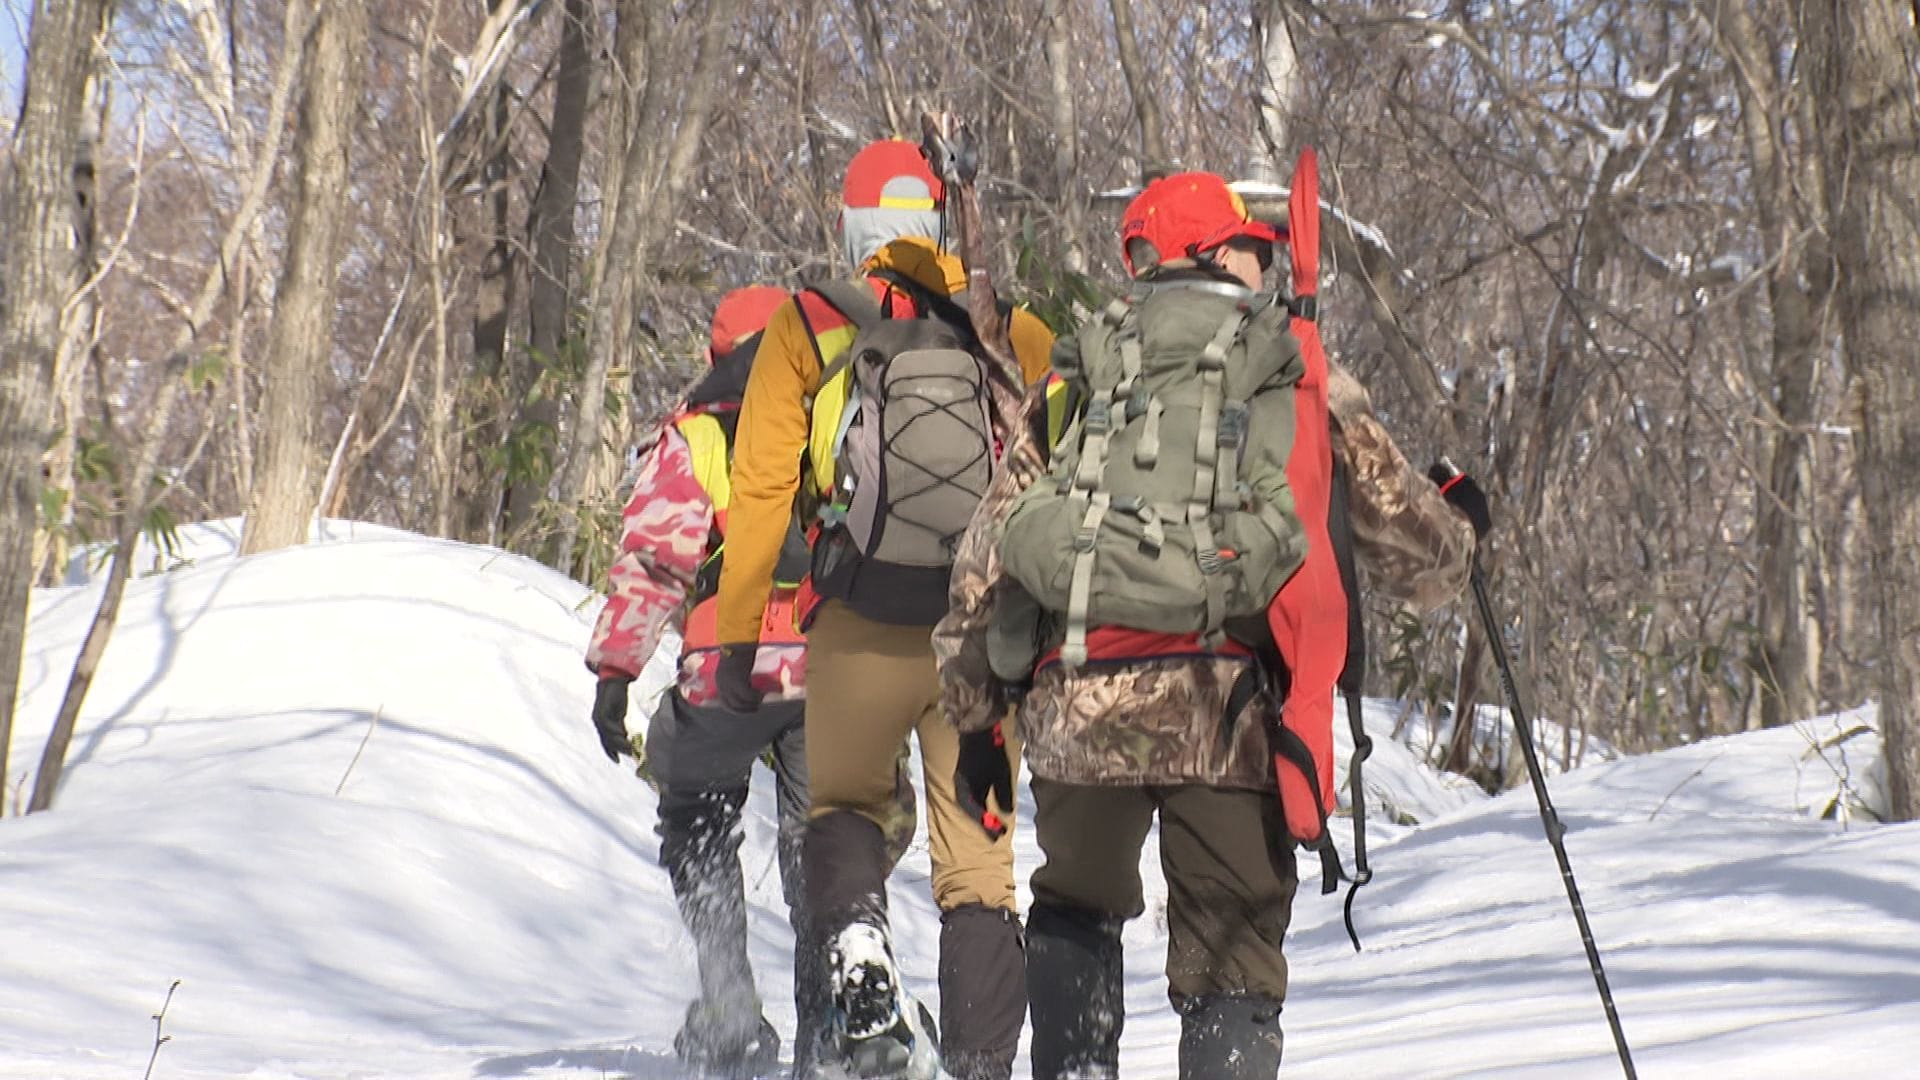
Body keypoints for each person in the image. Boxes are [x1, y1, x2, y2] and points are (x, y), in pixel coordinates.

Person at [934, 169, 1490, 1080]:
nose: (1256, 259)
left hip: (1079, 700)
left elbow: (987, 559)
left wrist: (975, 723)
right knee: (1231, 961)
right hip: (1229, 709)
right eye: (1243, 243)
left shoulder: (1084, 368)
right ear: (1215, 252)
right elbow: (1415, 555)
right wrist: (1466, 531)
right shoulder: (1290, 360)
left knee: (1075, 910)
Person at [710, 139, 1057, 1080]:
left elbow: (758, 498)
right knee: (979, 871)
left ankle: (859, 940)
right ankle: (983, 1064)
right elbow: (1058, 467)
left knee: (845, 809)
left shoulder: (809, 324)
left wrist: (740, 638)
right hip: (978, 635)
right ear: (941, 221)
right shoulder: (1009, 330)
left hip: (858, 613)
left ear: (850, 223)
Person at [586, 284, 819, 1078]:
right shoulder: (835, 414)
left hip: (727, 663)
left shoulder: (697, 432)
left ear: (718, 353)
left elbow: (655, 560)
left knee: (695, 812)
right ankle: (834, 1018)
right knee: (827, 841)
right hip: (831, 664)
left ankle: (728, 1006)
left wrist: (616, 672)